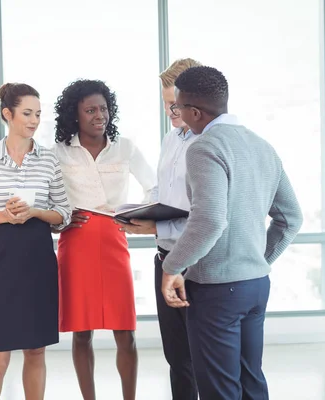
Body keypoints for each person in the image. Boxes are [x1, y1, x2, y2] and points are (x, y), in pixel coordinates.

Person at [160, 66, 303, 400]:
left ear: (195, 112)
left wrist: (172, 268)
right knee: (251, 383)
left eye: (178, 107)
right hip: (255, 286)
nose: (176, 113)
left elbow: (209, 221)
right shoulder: (261, 146)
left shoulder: (204, 147)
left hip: (215, 292)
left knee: (219, 391)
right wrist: (255, 260)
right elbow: (291, 218)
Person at [0, 82, 72, 400]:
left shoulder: (48, 160)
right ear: (8, 114)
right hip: (0, 264)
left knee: (36, 352)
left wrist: (36, 212)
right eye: (27, 113)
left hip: (38, 262)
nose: (34, 120)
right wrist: (4, 216)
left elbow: (63, 214)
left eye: (38, 113)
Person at [52, 79, 156, 400]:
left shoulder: (125, 147)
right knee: (82, 333)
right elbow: (45, 199)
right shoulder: (58, 152)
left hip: (114, 240)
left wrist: (137, 216)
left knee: (125, 331)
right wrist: (61, 219)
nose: (100, 115)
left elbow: (152, 187)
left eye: (103, 108)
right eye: (90, 110)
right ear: (75, 114)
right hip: (76, 243)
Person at [116, 58, 201, 400]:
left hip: (195, 262)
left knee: (202, 357)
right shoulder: (171, 139)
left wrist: (156, 223)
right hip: (165, 258)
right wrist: (137, 211)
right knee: (177, 357)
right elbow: (161, 191)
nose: (170, 110)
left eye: (175, 103)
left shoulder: (206, 143)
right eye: (166, 104)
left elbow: (204, 214)